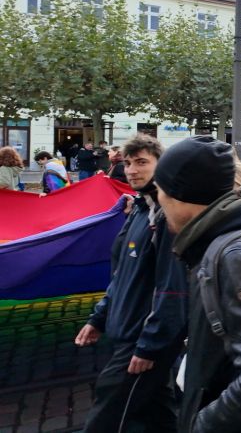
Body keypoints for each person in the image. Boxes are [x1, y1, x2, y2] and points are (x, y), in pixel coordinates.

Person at [157, 136, 241, 432]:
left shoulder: (236, 255)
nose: (158, 199)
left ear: (181, 196)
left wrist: (202, 425)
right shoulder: (220, 243)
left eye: (160, 189)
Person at [75, 134, 188, 433]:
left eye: (141, 162)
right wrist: (99, 317)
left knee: (106, 416)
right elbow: (123, 274)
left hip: (142, 338)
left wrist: (150, 346)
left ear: (162, 165)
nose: (132, 170)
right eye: (127, 163)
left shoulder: (167, 216)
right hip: (127, 332)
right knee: (158, 413)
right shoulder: (139, 209)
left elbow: (173, 290)